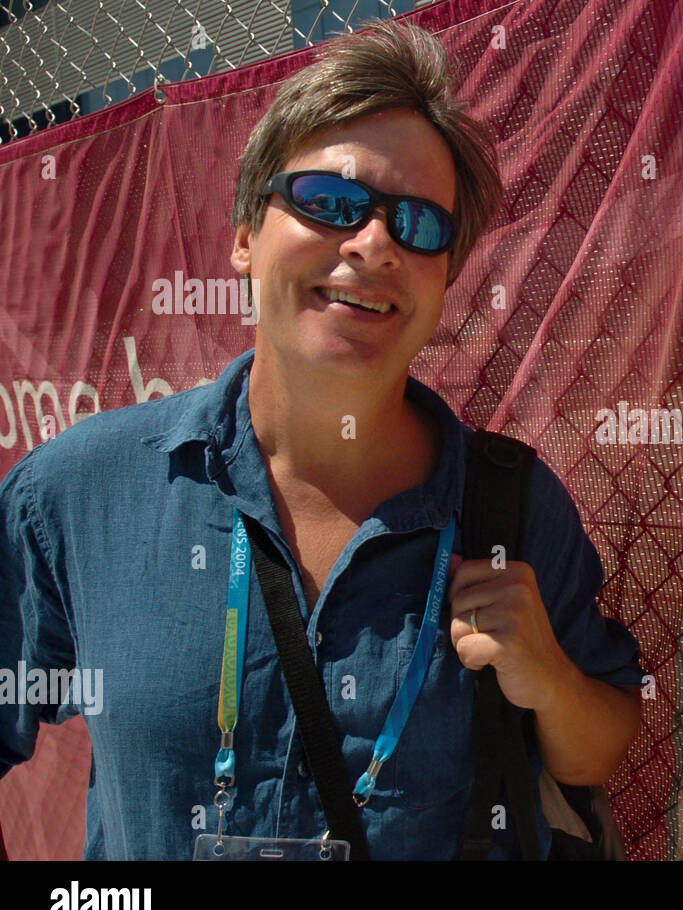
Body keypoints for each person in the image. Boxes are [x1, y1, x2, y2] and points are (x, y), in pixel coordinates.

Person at [0, 19, 644, 860]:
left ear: (444, 280)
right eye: (330, 203)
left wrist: (550, 678)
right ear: (243, 236)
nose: (374, 244)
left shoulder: (510, 507)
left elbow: (599, 744)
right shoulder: (78, 495)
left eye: (418, 226)